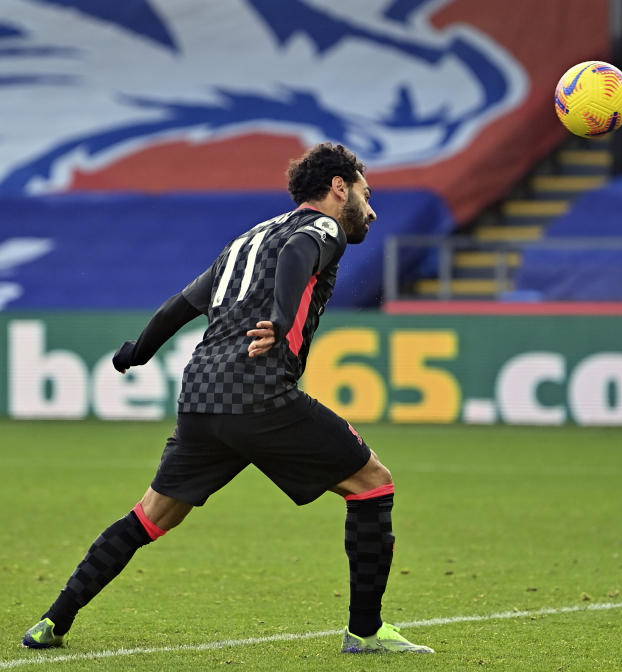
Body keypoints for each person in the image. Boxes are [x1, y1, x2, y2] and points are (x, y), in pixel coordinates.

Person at [22, 142, 433, 655]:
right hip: (260, 393)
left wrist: (140, 351)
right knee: (372, 483)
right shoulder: (324, 227)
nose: (371, 211)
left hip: (201, 396)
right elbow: (299, 252)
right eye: (367, 195)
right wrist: (281, 322)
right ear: (339, 187)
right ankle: (366, 632)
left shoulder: (246, 240)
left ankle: (52, 621)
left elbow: (182, 304)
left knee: (151, 515)